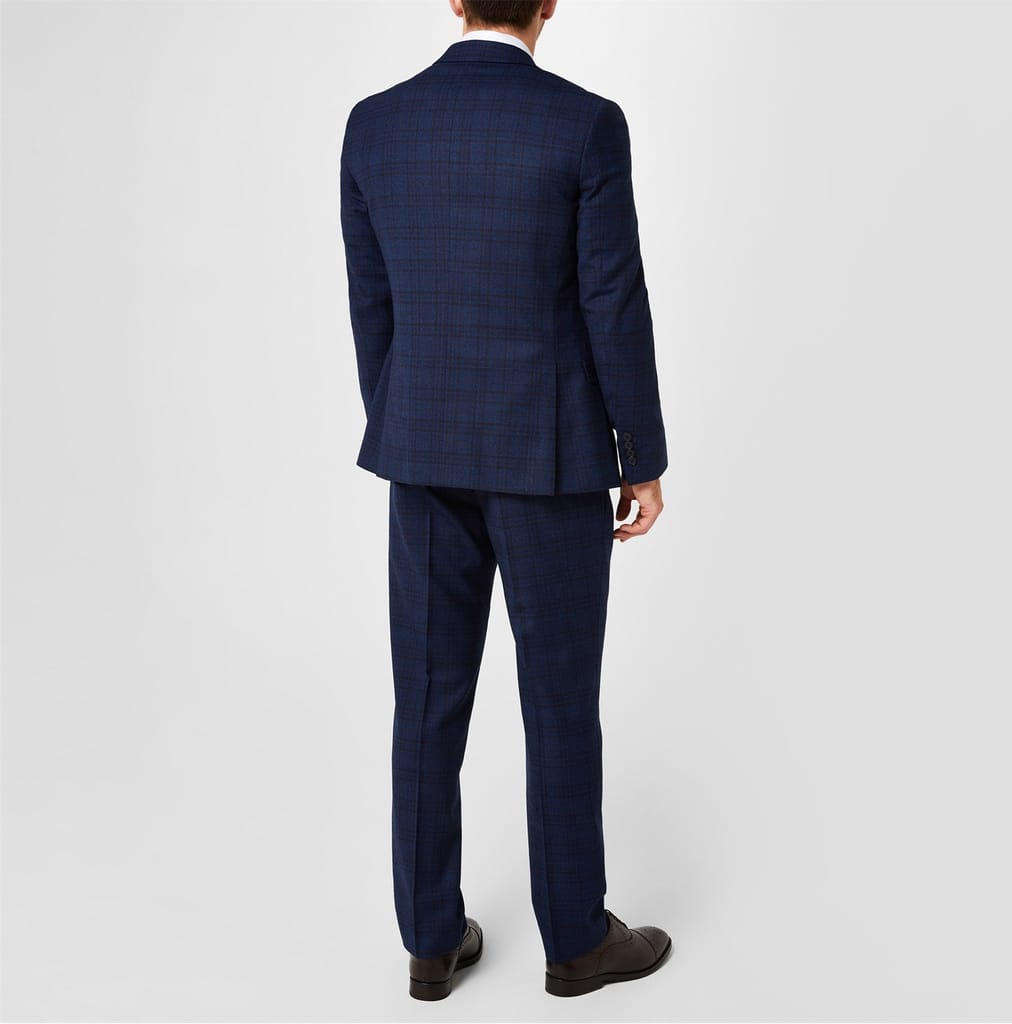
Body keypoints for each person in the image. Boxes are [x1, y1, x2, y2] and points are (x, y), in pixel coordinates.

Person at [339, 0, 672, 1000]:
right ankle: (576, 942)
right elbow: (612, 297)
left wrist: (407, 419)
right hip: (550, 459)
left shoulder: (376, 124)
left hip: (423, 455)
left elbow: (371, 300)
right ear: (549, 3)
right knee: (559, 704)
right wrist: (641, 455)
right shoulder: (584, 124)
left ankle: (429, 942)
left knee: (425, 702)